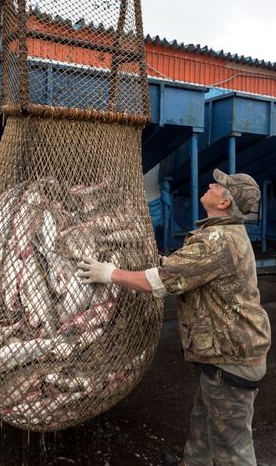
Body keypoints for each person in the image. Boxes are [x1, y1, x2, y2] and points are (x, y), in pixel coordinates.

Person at [78, 169, 271, 466]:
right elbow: (188, 267)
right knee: (205, 426)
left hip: (232, 357)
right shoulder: (223, 234)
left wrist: (110, 274)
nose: (210, 184)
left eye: (219, 185)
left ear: (224, 204)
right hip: (225, 355)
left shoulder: (218, 240)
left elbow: (159, 282)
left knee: (233, 447)